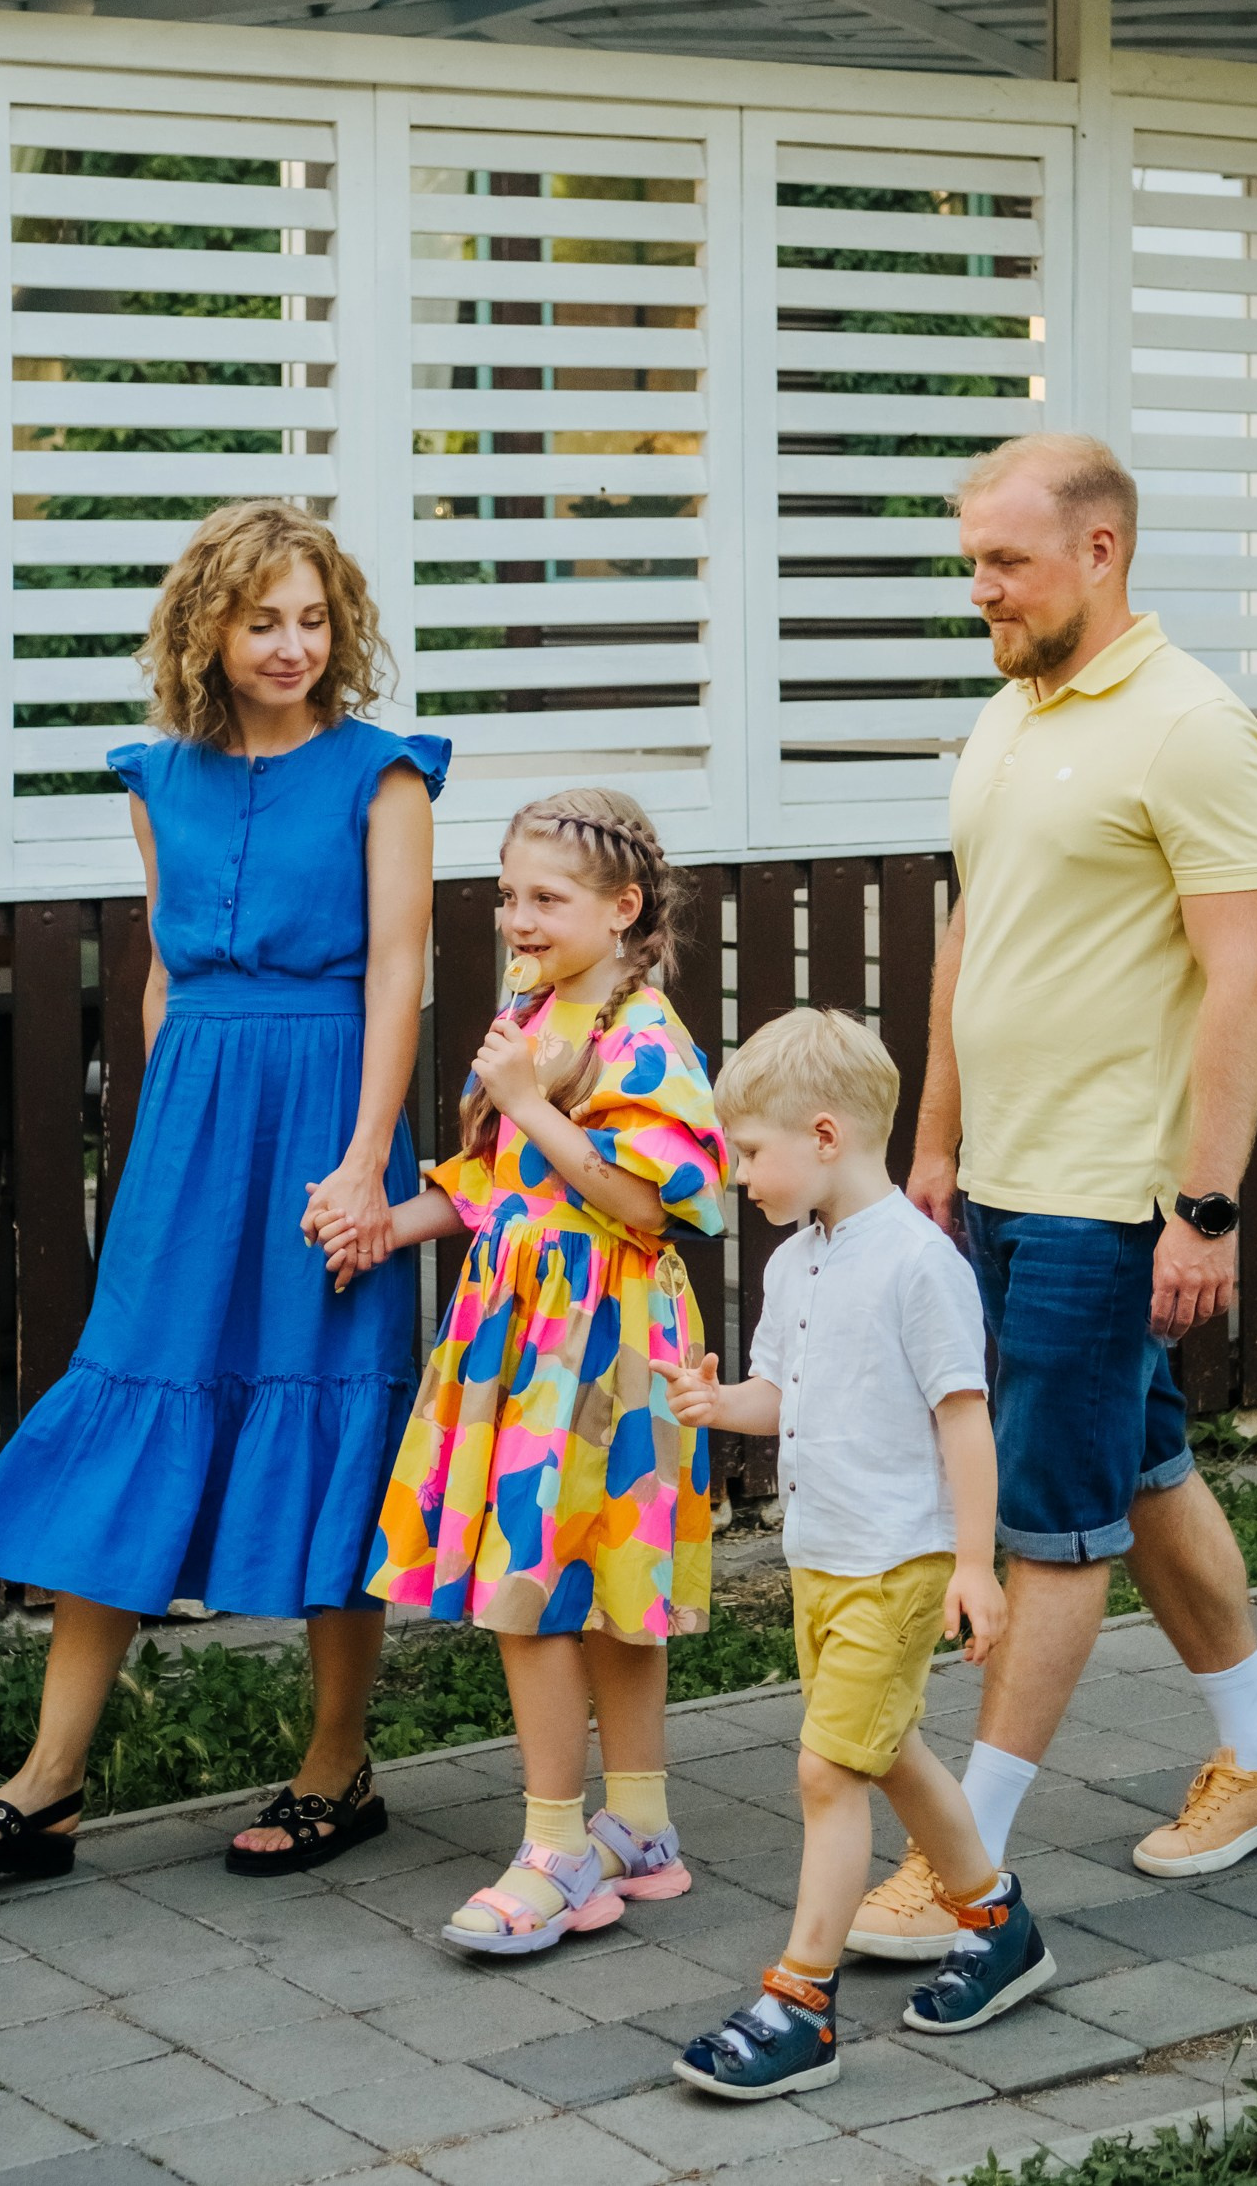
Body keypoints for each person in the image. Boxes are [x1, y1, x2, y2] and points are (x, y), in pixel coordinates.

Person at [0, 500, 448, 1883]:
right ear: (207, 624)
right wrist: (160, 1147)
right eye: (262, 617)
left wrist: (360, 1155)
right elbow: (161, 976)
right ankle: (47, 1784)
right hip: (195, 1124)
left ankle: (338, 1765)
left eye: (314, 618)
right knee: (133, 1401)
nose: (291, 643)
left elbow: (401, 970)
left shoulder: (384, 776)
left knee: (333, 1409)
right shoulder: (157, 777)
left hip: (332, 1109)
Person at [868, 431, 1257, 1954]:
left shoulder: (1194, 729)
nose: (980, 587)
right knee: (1137, 1467)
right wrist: (931, 1142)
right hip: (999, 1173)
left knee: (1051, 1527)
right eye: (973, 559)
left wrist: (1204, 1204)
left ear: (1103, 549)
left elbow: (1245, 976)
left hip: (1106, 1198)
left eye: (1008, 560)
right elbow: (973, 940)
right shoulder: (1007, 714)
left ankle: (964, 1859)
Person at [330, 788, 726, 1955]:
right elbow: (499, 1177)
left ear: (623, 908)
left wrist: (525, 1103)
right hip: (522, 1326)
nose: (516, 918)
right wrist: (396, 1226)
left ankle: (558, 1851)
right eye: (506, 895)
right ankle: (639, 1826)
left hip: (600, 1334)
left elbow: (651, 1203)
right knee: (587, 1575)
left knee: (539, 1577)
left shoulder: (642, 1034)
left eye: (544, 898)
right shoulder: (534, 1008)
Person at [658, 1009, 1053, 2103]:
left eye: (747, 1152)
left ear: (822, 1136)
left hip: (898, 1559)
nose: (738, 1176)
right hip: (821, 1557)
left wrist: (972, 1564)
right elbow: (777, 1394)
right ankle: (996, 1924)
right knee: (883, 1751)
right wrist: (711, 1404)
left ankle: (798, 2003)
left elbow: (964, 1418)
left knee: (825, 1770)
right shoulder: (796, 1266)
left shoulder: (919, 1266)